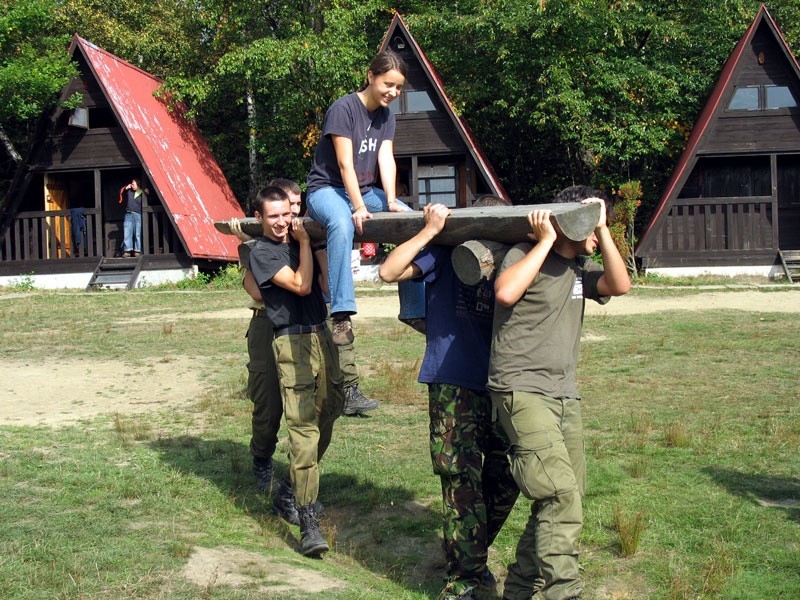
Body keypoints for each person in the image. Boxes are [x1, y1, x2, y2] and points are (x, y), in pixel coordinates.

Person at [487, 186, 631, 600]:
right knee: (558, 493)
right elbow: (505, 292)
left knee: (567, 496)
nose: (594, 228)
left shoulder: (580, 271)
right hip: (520, 390)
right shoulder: (523, 254)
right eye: (588, 219)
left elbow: (620, 285)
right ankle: (563, 592)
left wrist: (602, 231)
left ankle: (517, 589)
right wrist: (548, 238)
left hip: (564, 395)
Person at [379, 197, 520, 600]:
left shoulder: (514, 256)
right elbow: (389, 271)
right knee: (459, 477)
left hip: (501, 382)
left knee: (509, 473)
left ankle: (469, 555)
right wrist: (430, 232)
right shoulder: (442, 254)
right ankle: (465, 579)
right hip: (452, 380)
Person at [247, 185, 345, 557]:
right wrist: (304, 243)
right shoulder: (263, 252)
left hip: (321, 333)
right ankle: (308, 519)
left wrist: (316, 246)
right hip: (291, 341)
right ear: (259, 218)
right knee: (302, 426)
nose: (281, 223)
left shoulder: (299, 237)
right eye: (273, 217)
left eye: (286, 215)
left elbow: (323, 285)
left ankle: (291, 487)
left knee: (330, 411)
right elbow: (302, 287)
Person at [306, 49, 425, 346]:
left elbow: (386, 159)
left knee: (409, 222)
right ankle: (341, 314)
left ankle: (415, 308)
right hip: (327, 189)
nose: (393, 92)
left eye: (398, 87)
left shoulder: (387, 117)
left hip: (366, 191)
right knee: (342, 223)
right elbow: (345, 163)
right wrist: (358, 206)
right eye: (388, 84)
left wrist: (392, 200)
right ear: (371, 77)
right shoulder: (343, 109)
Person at [270, 178, 379, 416]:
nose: (296, 210)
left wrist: (316, 247)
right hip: (289, 309)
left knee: (342, 345)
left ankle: (349, 393)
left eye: (299, 204)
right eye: (291, 204)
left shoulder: (315, 225)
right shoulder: (272, 241)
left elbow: (328, 288)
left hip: (319, 302)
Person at [118, 178, 147, 257]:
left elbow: (150, 199)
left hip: (138, 214)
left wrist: (148, 193)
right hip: (128, 214)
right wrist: (125, 188)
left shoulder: (142, 192)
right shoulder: (129, 191)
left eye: (133, 184)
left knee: (137, 233)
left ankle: (137, 250)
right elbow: (121, 195)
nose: (132, 185)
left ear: (138, 184)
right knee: (127, 232)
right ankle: (127, 250)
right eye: (132, 184)